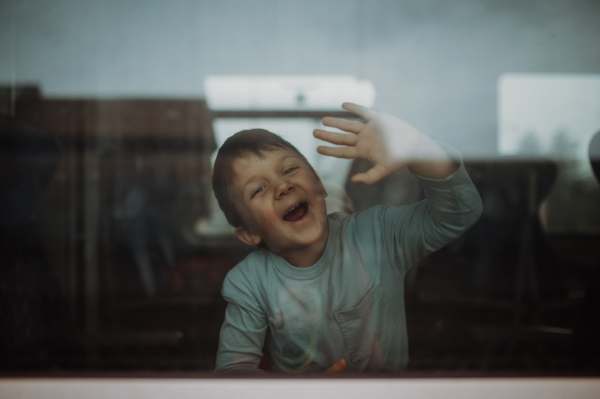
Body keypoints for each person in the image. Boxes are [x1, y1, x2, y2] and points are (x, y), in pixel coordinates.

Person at [212, 103, 482, 372]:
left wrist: (417, 150)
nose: (283, 186)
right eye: (259, 188)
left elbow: (460, 213)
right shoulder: (249, 283)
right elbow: (233, 374)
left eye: (289, 170)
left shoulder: (377, 234)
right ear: (249, 234)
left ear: (319, 184)